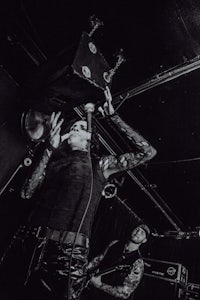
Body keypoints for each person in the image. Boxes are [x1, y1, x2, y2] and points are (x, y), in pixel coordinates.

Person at [0, 87, 156, 300]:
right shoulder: (54, 161)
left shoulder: (100, 165)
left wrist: (113, 116)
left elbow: (147, 152)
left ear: (90, 138)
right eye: (74, 126)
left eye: (81, 127)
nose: (75, 129)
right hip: (29, 240)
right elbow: (27, 193)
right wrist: (48, 150)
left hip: (67, 251)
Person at [83, 224, 150, 300]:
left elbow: (125, 293)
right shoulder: (114, 243)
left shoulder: (138, 263)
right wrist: (84, 272)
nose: (138, 232)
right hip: (91, 293)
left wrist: (100, 285)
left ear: (144, 240)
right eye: (137, 229)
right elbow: (99, 259)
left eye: (142, 233)